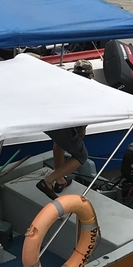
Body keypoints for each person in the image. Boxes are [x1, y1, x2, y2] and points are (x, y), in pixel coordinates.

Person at [38, 63, 93, 199]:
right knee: (81, 155)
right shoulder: (88, 89)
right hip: (62, 124)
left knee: (59, 143)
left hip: (46, 121)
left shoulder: (65, 82)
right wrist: (82, 130)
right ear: (91, 75)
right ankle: (48, 181)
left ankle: (60, 179)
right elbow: (84, 114)